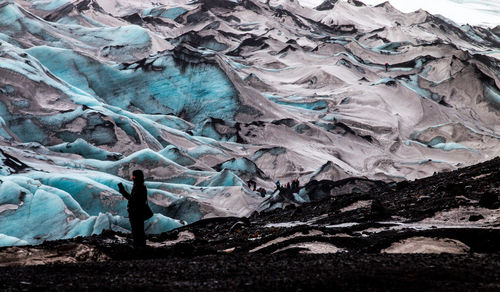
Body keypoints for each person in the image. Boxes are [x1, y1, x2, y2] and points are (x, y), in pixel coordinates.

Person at [118, 170, 151, 247]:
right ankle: (140, 245)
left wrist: (123, 192)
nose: (132, 178)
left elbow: (134, 200)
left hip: (137, 212)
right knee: (138, 229)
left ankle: (139, 246)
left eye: (134, 176)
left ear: (137, 177)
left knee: (137, 229)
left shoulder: (139, 187)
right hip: (136, 211)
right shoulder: (139, 186)